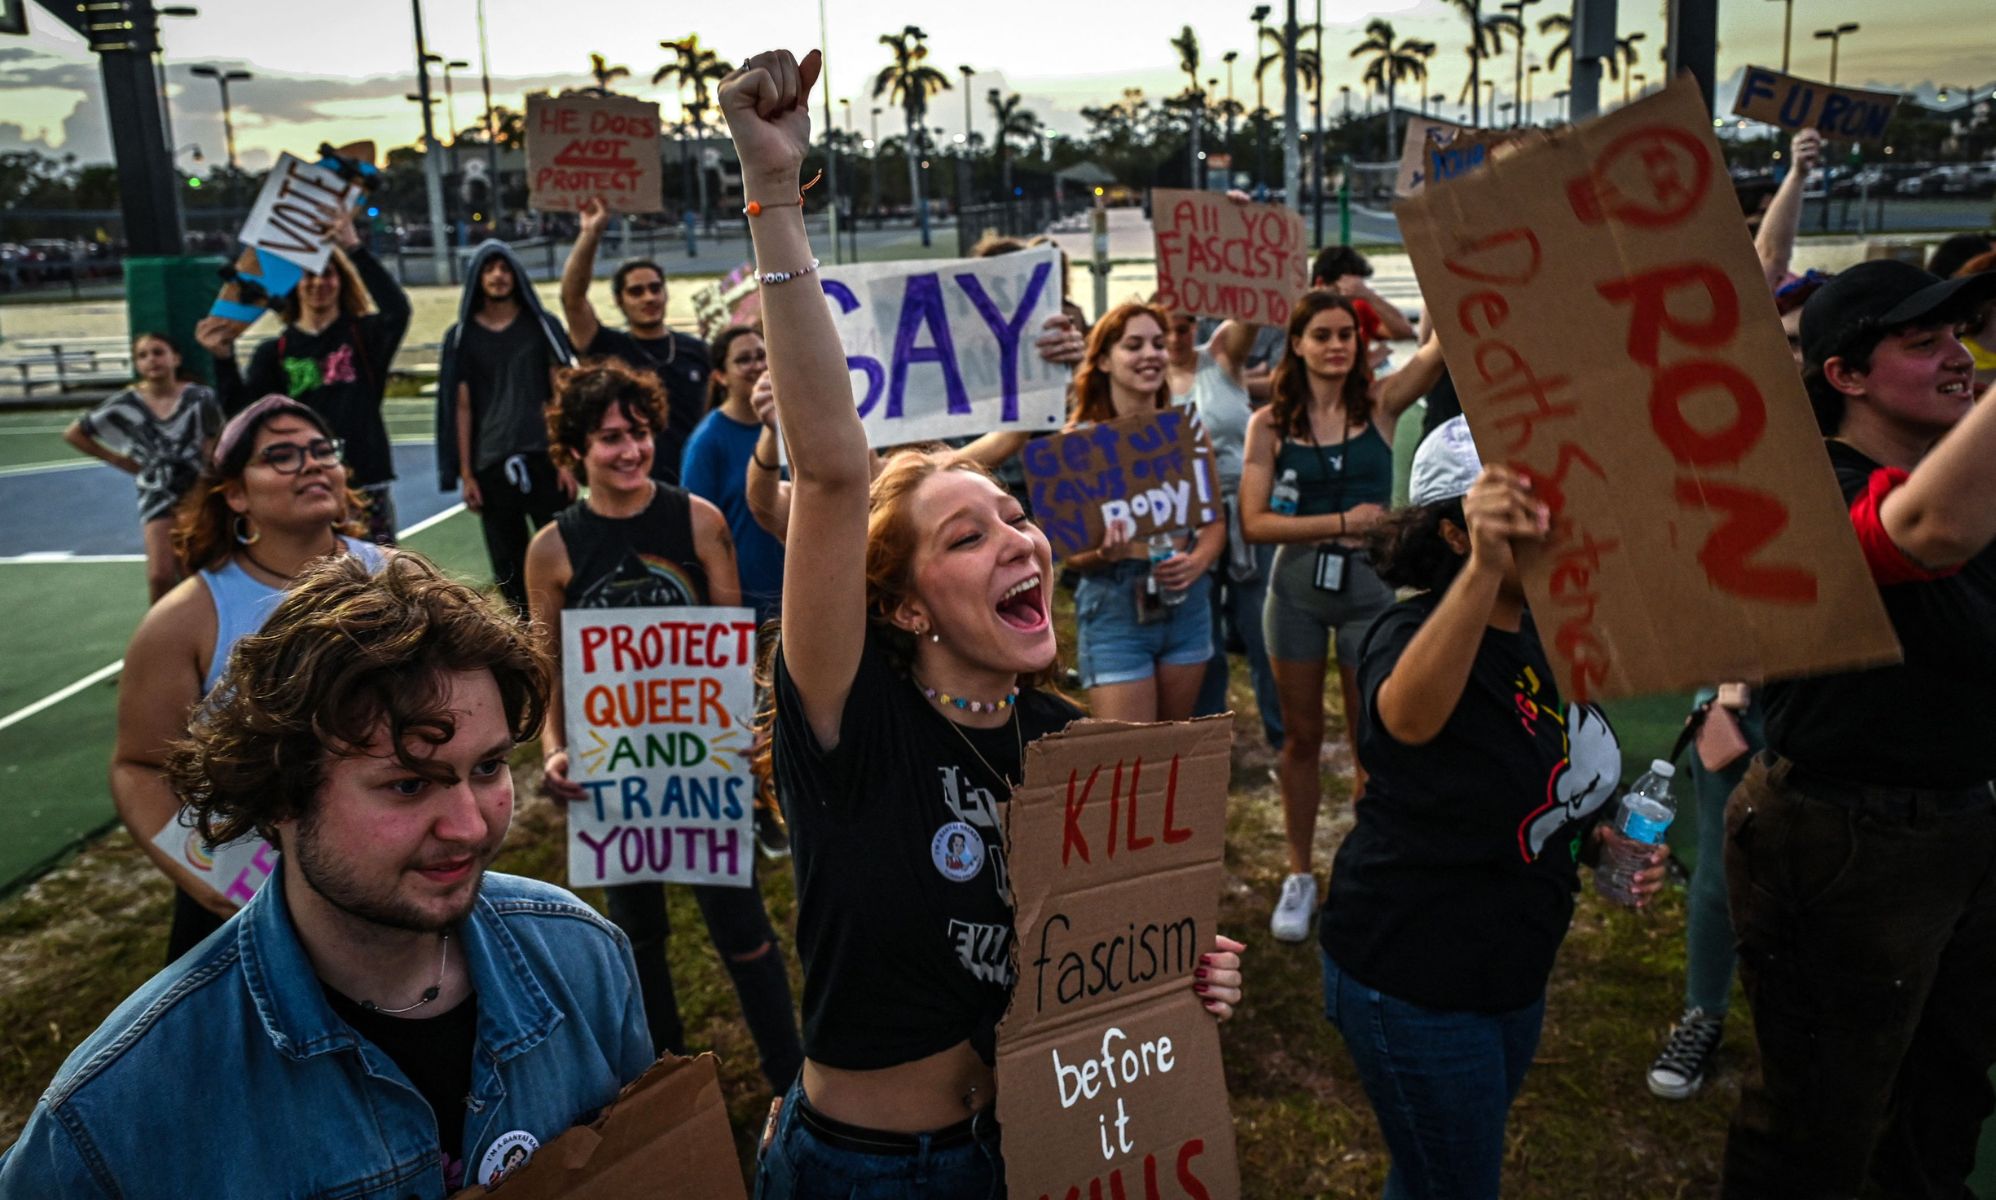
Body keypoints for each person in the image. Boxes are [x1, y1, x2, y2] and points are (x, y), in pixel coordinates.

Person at [719, 48, 1243, 1198]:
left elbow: (1101, 965)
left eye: (1015, 516)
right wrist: (774, 194)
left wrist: (1178, 978)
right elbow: (833, 471)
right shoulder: (850, 727)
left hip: (1018, 1155)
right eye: (966, 537)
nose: (1021, 539)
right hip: (859, 1174)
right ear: (903, 606)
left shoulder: (1066, 743)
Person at [0, 553, 654, 1197]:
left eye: (486, 769)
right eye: (407, 785)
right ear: (284, 795)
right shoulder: (121, 1111)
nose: (471, 826)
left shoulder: (584, 958)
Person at [1319, 417, 1666, 1200]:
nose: (1561, 531)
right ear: (1455, 530)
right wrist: (1485, 567)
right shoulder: (1406, 632)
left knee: (1435, 1168)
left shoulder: (1550, 637)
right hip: (1414, 978)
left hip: (1508, 969)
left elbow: (1538, 785)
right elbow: (1406, 723)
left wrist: (1599, 840)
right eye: (1526, 518)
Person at [1721, 259, 1996, 1199]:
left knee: (1942, 1100)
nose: (1961, 360)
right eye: (1924, 345)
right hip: (1844, 843)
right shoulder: (1810, 489)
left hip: (1963, 825)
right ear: (1844, 375)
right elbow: (1925, 533)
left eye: (1962, 337)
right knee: (1815, 1129)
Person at [524, 360, 804, 1094]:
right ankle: (671, 1087)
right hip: (612, 775)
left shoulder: (698, 521)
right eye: (610, 438)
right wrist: (555, 750)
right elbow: (548, 664)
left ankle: (789, 1077)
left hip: (701, 766)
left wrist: (745, 725)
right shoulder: (553, 548)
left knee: (743, 930)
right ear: (576, 451)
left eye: (640, 433)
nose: (629, 450)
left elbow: (728, 643)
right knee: (637, 938)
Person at [111, 396, 388, 965]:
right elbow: (140, 767)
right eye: (280, 456)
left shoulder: (397, 578)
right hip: (251, 895)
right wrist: (216, 880)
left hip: (382, 867)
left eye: (320, 451)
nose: (311, 464)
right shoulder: (186, 618)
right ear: (235, 493)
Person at [1239, 290, 1445, 943]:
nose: (1336, 345)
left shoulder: (1381, 405)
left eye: (1346, 335)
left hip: (1368, 593)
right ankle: (1299, 873)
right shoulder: (1270, 424)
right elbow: (1253, 521)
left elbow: (1439, 349)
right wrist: (1342, 522)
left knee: (1370, 743)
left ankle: (1363, 873)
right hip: (1297, 590)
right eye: (1322, 334)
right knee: (1300, 737)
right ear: (1295, 343)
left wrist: (1431, 269)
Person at [1048, 303, 1226, 723]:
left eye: (1158, 344)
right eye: (1134, 345)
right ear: (1105, 360)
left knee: (1173, 751)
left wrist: (1196, 561)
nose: (1151, 354)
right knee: (1127, 759)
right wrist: (1103, 554)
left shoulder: (1187, 431)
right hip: (1114, 608)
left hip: (1186, 602)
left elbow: (1215, 522)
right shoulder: (1075, 444)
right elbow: (1070, 553)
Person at [195, 208, 411, 544]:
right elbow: (243, 414)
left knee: (379, 579)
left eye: (328, 274)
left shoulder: (363, 335)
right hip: (305, 484)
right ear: (296, 286)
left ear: (341, 280)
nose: (318, 283)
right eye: (308, 276)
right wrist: (222, 359)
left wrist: (354, 247)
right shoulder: (274, 352)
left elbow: (398, 310)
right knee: (319, 582)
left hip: (365, 478)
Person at [433, 242, 577, 614]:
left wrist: (565, 461)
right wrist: (466, 473)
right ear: (477, 278)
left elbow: (559, 390)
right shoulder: (462, 337)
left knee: (566, 554)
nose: (498, 276)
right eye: (489, 269)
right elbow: (460, 406)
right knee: (508, 567)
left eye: (505, 268)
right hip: (491, 464)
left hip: (545, 458)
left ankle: (567, 640)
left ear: (516, 275)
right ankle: (526, 648)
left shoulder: (541, 326)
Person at [1165, 306, 1283, 750]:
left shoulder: (1220, 357)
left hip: (1245, 507)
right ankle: (1211, 740)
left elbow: (1252, 312)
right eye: (1165, 330)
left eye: (1183, 327)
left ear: (1196, 326)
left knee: (1261, 624)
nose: (1176, 338)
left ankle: (1283, 733)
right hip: (1185, 518)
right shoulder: (1148, 379)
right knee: (1201, 634)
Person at [62, 332, 223, 603]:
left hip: (196, 489)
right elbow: (74, 433)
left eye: (158, 352)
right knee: (159, 575)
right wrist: (118, 460)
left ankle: (203, 633)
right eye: (143, 355)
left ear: (176, 358)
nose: (152, 360)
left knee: (193, 569)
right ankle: (160, 636)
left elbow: (214, 440)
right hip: (155, 492)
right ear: (136, 364)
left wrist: (213, 480)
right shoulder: (126, 403)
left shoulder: (200, 397)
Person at [561, 196, 712, 483]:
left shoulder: (696, 351)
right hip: (631, 483)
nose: (649, 297)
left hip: (696, 481)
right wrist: (591, 234)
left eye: (656, 288)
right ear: (619, 300)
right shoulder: (606, 349)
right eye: (637, 291)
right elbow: (573, 300)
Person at [680, 325, 782, 623]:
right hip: (748, 605)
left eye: (762, 355)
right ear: (720, 377)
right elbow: (696, 532)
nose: (758, 366)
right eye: (744, 360)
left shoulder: (793, 426)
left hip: (799, 593)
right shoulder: (707, 442)